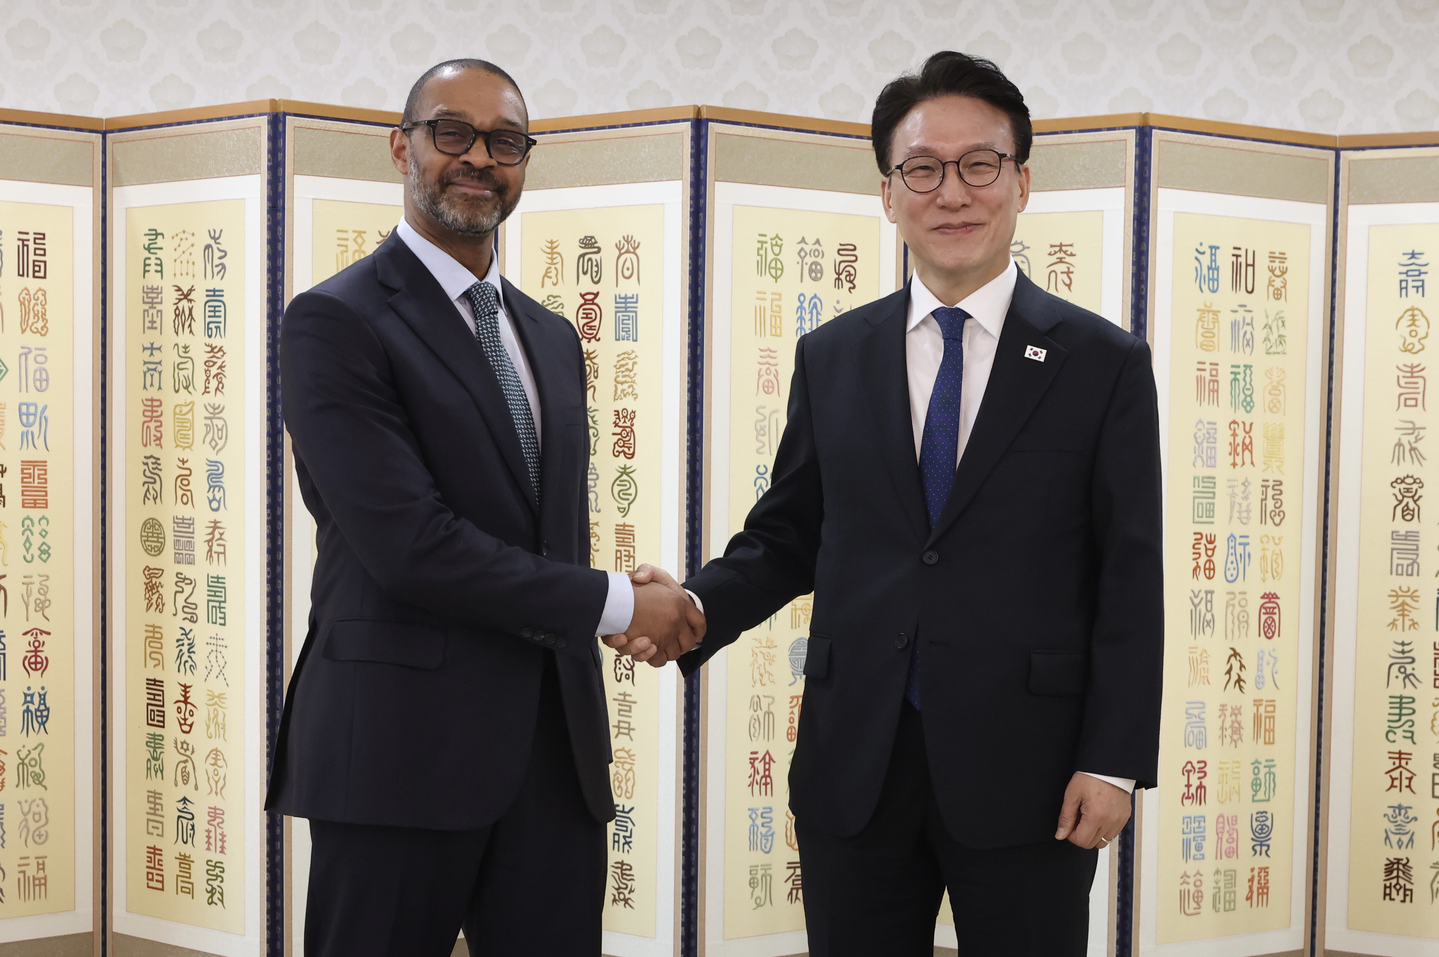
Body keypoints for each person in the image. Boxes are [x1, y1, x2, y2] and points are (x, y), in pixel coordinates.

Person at [615, 51, 1162, 955]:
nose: (951, 193)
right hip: (855, 761)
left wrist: (1112, 762)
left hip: (1029, 767)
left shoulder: (1101, 364)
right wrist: (696, 607)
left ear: (1021, 182)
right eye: (922, 169)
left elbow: (1128, 575)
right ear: (886, 192)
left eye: (978, 164)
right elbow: (789, 535)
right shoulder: (834, 355)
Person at [266, 58, 702, 957]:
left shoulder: (549, 335)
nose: (477, 158)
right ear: (402, 148)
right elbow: (410, 545)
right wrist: (616, 602)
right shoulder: (335, 321)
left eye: (504, 142)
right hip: (397, 754)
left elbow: (544, 535)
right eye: (451, 133)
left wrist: (623, 599)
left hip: (554, 754)